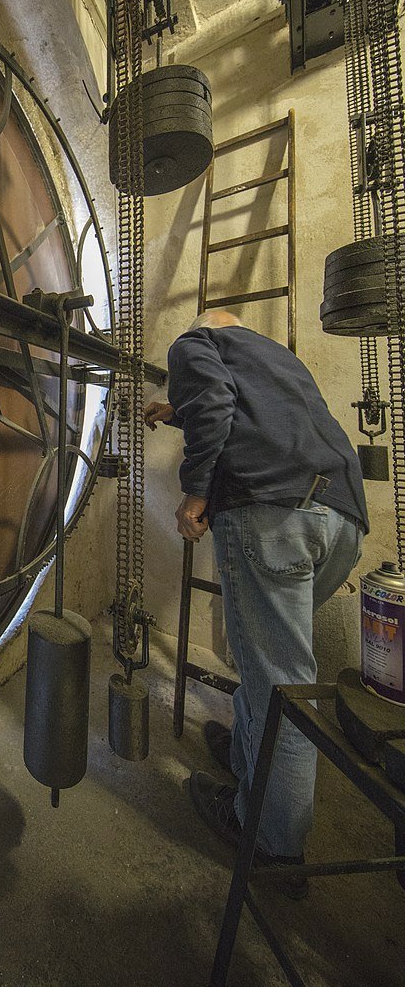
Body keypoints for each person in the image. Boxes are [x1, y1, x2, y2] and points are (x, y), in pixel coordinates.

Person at [145, 309, 368, 898]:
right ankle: (248, 761)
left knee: (279, 686)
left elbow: (215, 407)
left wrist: (195, 494)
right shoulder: (280, 361)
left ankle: (269, 838)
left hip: (270, 514)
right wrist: (176, 410)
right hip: (339, 520)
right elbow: (236, 408)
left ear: (209, 327)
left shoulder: (195, 341)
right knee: (267, 659)